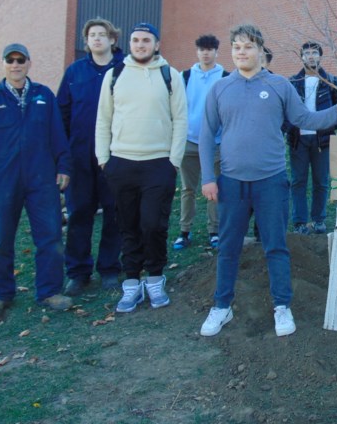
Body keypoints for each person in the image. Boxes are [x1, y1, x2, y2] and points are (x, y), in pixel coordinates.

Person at [199, 24, 337, 337]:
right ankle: (221, 306)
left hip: (271, 182)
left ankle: (282, 306)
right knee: (228, 247)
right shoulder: (220, 88)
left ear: (260, 50)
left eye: (248, 46)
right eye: (237, 47)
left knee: (275, 246)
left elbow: (304, 120)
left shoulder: (280, 86)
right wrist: (207, 178)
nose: (242, 52)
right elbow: (205, 135)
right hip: (232, 182)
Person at [0, 43, 73, 319]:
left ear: (28, 63)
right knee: (0, 240)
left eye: (20, 60)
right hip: (3, 182)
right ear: (4, 64)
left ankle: (49, 291)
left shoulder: (44, 96)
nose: (16, 65)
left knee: (50, 238)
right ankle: (0, 295)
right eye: (10, 60)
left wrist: (63, 166)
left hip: (41, 180)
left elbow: (58, 136)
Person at [95, 22, 187, 312]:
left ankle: (155, 278)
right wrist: (103, 158)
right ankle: (132, 282)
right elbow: (103, 119)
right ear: (130, 44)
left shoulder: (169, 75)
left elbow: (181, 120)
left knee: (153, 224)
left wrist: (173, 160)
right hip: (121, 162)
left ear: (156, 44)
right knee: (127, 225)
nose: (140, 45)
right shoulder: (114, 75)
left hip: (158, 163)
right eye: (135, 40)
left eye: (146, 40)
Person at [57, 18, 124, 296]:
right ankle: (78, 272)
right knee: (79, 213)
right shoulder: (75, 72)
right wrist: (63, 156)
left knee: (115, 213)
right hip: (80, 157)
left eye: (102, 34)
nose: (96, 39)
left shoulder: (125, 71)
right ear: (87, 42)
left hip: (115, 155)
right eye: (91, 35)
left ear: (112, 39)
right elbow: (62, 114)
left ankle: (109, 269)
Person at [174, 34, 229, 250]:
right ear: (197, 51)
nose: (206, 53)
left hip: (215, 144)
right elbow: (177, 108)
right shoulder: (185, 76)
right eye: (202, 49)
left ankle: (214, 232)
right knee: (188, 189)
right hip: (188, 142)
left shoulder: (225, 77)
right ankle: (184, 231)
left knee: (213, 189)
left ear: (216, 51)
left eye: (210, 49)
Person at [285, 41, 337, 235]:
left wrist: (332, 128)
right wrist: (287, 129)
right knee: (298, 181)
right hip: (298, 139)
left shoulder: (331, 81)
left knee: (321, 181)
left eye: (314, 53)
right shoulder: (292, 83)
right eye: (307, 53)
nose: (310, 56)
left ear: (320, 56)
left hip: (321, 141)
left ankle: (319, 219)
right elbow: (286, 111)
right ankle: (300, 221)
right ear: (301, 57)